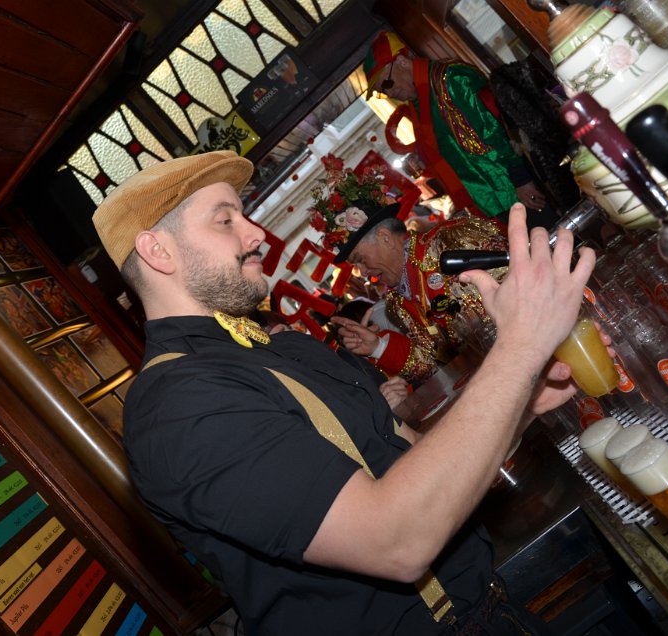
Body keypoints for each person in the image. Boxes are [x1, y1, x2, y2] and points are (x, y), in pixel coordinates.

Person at [91, 150, 597, 634]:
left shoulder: (287, 351)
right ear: (157, 251)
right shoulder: (177, 407)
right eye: (225, 220)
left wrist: (525, 399)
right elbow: (396, 540)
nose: (256, 234)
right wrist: (518, 348)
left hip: (493, 607)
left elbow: (420, 459)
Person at [311, 153, 508, 383]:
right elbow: (436, 365)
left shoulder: (452, 240)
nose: (362, 273)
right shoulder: (397, 304)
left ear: (385, 238)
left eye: (360, 259)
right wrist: (378, 347)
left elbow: (520, 286)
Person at [365, 31, 547, 223]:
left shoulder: (450, 79)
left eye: (387, 83)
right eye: (382, 92)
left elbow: (493, 131)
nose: (390, 93)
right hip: (488, 202)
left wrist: (521, 179)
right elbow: (451, 149)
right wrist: (424, 158)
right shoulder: (418, 102)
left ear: (402, 61)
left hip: (512, 190)